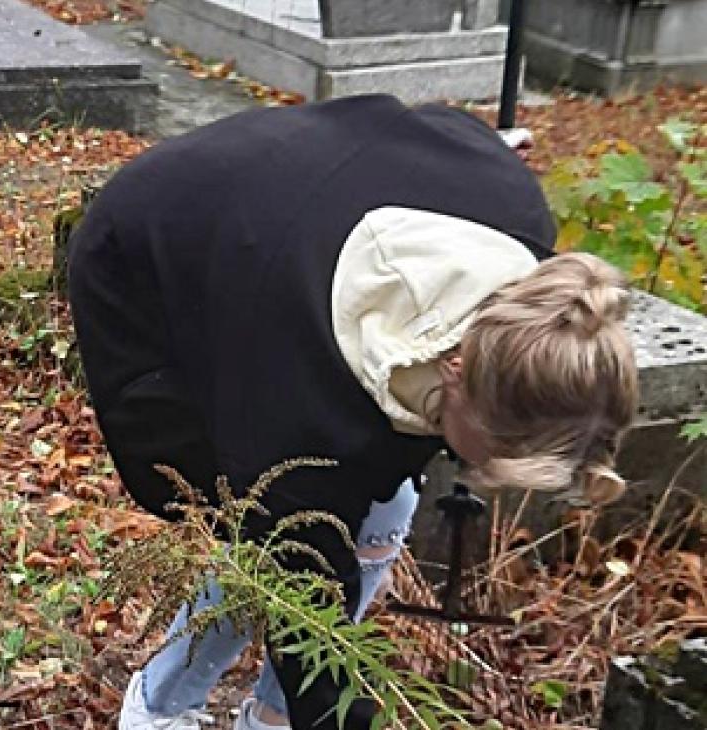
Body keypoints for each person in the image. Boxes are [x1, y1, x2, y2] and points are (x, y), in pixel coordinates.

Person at [66, 94, 638, 730]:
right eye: (492, 462)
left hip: (283, 221)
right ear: (457, 375)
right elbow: (303, 608)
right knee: (264, 538)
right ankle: (158, 708)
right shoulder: (293, 417)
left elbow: (439, 125)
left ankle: (269, 717)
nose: (482, 480)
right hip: (153, 267)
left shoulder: (519, 233)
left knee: (382, 509)